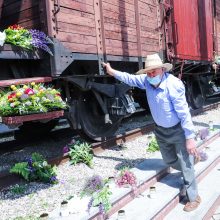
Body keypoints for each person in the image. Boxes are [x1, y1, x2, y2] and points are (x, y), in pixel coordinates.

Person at [102, 53, 201, 212]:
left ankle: (194, 197)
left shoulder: (174, 85)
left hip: (178, 130)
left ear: (162, 69)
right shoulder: (146, 81)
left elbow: (184, 113)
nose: (151, 75)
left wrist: (190, 137)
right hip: (161, 130)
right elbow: (129, 78)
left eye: (154, 71)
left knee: (186, 164)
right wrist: (112, 71)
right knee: (169, 161)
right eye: (148, 72)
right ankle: (190, 162)